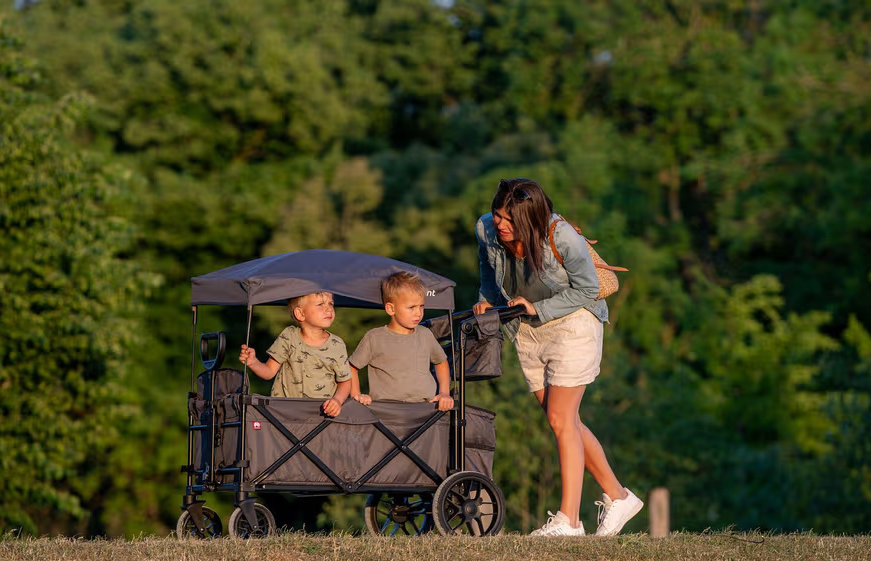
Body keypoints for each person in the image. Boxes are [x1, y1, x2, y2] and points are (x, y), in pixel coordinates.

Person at [473, 178, 642, 537]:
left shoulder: (561, 235)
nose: (500, 224)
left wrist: (539, 308)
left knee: (560, 418)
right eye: (497, 215)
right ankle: (619, 496)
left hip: (573, 321)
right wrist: (486, 301)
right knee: (564, 422)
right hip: (527, 328)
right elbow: (489, 271)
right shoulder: (486, 229)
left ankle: (570, 520)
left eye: (510, 219)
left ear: (531, 219)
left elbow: (589, 288)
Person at [348, 272, 454, 411]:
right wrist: (356, 396)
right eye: (411, 307)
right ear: (391, 309)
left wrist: (444, 393)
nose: (418, 313)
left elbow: (441, 362)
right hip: (387, 412)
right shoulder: (374, 337)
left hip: (425, 410)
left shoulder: (425, 334)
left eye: (421, 306)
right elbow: (351, 367)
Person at [239, 291, 352, 417]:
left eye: (331, 304)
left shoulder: (337, 344)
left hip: (321, 416)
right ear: (300, 313)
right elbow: (269, 372)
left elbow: (345, 381)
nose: (328, 309)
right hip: (285, 414)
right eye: (320, 304)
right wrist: (253, 362)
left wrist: (337, 401)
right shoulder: (289, 336)